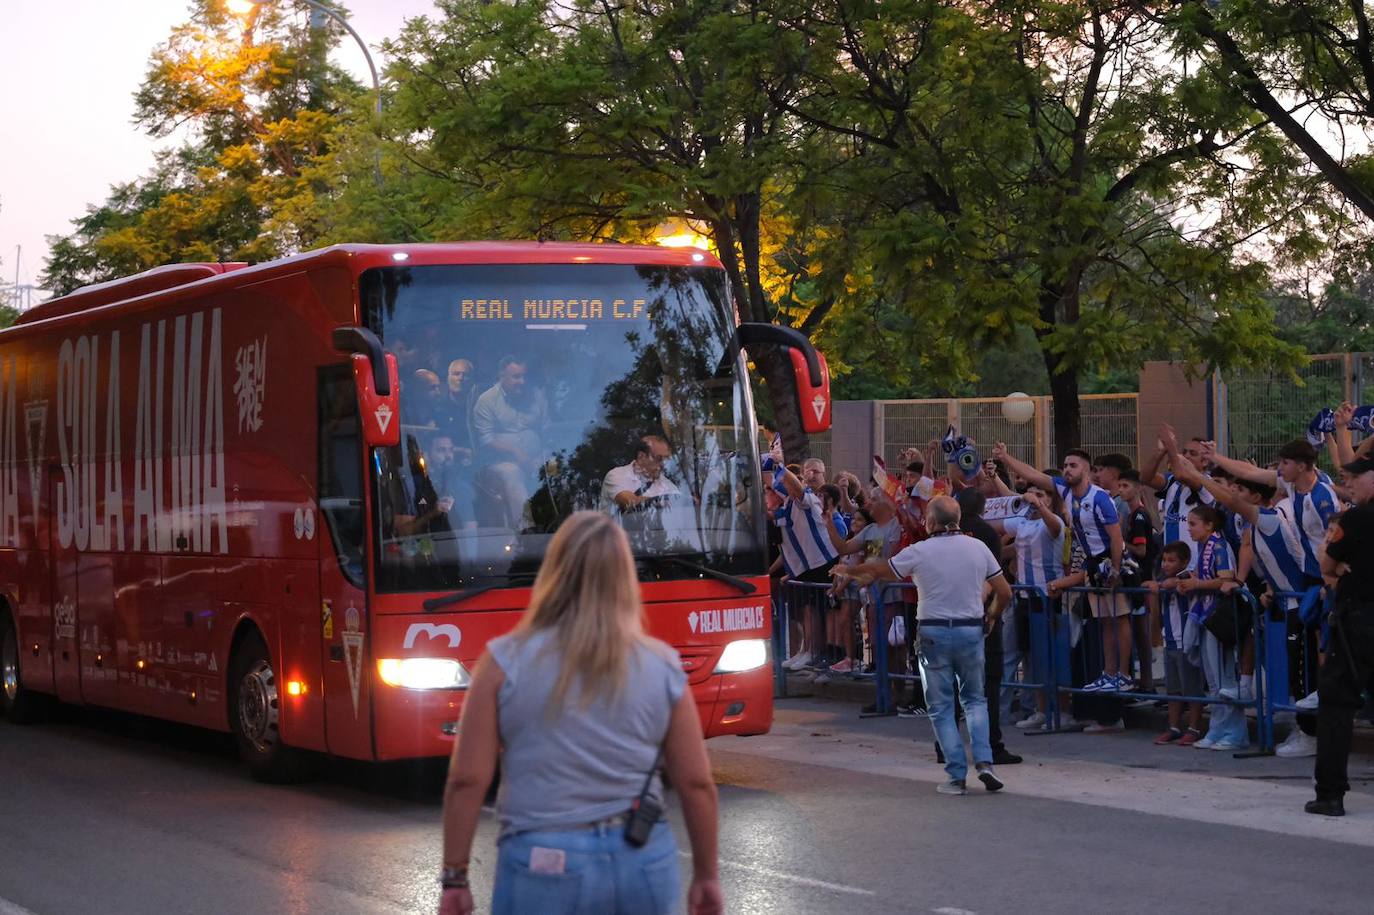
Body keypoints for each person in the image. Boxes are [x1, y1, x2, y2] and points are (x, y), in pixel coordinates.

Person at [436, 512, 723, 915]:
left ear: (554, 572)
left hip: (542, 860)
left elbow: (467, 780)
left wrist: (456, 878)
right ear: (625, 578)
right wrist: (706, 876)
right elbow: (696, 783)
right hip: (640, 859)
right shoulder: (662, 666)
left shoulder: (502, 663)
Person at [835, 496, 1013, 796]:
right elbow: (1004, 592)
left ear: (930, 521)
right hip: (971, 629)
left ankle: (956, 774)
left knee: (941, 706)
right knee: (975, 700)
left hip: (933, 631)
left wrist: (849, 571)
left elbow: (878, 571)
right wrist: (992, 616)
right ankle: (985, 762)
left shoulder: (920, 550)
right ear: (957, 518)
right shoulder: (978, 548)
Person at [992, 442, 1131, 691]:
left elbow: (1116, 537)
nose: (1067, 469)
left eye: (1073, 465)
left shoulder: (1099, 497)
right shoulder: (1065, 491)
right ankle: (1110, 674)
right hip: (1093, 565)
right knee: (1105, 621)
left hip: (1111, 562)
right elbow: (1033, 474)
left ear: (1086, 470)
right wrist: (1005, 457)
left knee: (1119, 618)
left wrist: (1115, 569)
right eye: (1065, 465)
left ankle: (1124, 674)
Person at [1308, 454, 1374, 816]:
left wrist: (1340, 569)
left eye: (1355, 477)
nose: (1349, 483)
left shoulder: (1357, 518)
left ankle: (1330, 794)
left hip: (1360, 622)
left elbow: (1327, 563)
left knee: (1336, 705)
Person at [991, 481, 1065, 731]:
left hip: (1045, 599)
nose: (1033, 497)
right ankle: (1006, 712)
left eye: (1040, 494)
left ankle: (1041, 709)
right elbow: (993, 525)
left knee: (1041, 657)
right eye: (1031, 493)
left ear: (1051, 500)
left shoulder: (1053, 522)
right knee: (1014, 654)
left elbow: (1055, 528)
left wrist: (1040, 506)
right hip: (1021, 597)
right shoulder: (1021, 522)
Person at [956, 487, 1022, 765]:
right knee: (989, 683)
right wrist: (993, 613)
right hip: (981, 614)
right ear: (983, 509)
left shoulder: (942, 536)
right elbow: (995, 577)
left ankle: (944, 746)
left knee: (950, 684)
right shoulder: (986, 534)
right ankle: (992, 745)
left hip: (948, 615)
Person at [1179, 504, 1249, 751]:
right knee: (1213, 678)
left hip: (1217, 616)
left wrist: (1197, 584)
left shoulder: (1219, 546)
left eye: (1193, 524)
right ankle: (1218, 729)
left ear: (1209, 525)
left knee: (1222, 678)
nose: (1189, 529)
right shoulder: (1204, 546)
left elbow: (1226, 579)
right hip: (1206, 615)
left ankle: (1234, 732)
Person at [773, 461, 842, 670]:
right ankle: (807, 649)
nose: (811, 476)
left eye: (815, 472)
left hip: (823, 563)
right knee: (808, 610)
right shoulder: (790, 504)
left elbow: (796, 488)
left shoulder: (810, 500)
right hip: (806, 566)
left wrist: (779, 465)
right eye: (807, 471)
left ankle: (818, 653)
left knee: (822, 612)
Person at [473, 356, 549, 531]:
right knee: (512, 474)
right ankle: (526, 531)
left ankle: (570, 527)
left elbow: (547, 431)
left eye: (524, 376)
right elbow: (486, 440)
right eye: (516, 377)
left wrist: (543, 455)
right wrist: (515, 452)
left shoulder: (537, 396)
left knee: (558, 469)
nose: (522, 381)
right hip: (499, 463)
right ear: (502, 376)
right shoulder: (486, 400)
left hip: (538, 457)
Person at [1146, 541, 1206, 745]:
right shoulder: (1164, 579)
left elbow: (1175, 583)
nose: (1166, 564)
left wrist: (1160, 584)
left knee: (1191, 686)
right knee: (1173, 688)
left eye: (1171, 560)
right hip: (1169, 639)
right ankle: (1173, 726)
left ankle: (1194, 727)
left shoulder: (1187, 578)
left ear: (1185, 561)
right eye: (1164, 560)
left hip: (1185, 641)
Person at [1140, 430, 1216, 569]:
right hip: (1170, 565)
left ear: (1205, 461)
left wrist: (1170, 447)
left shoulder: (1207, 483)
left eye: (1192, 453)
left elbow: (1182, 474)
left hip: (1195, 567)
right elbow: (1145, 478)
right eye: (1184, 452)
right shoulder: (1173, 482)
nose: (1186, 456)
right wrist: (1160, 452)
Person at [602, 435, 681, 514]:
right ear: (641, 456)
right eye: (659, 458)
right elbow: (630, 502)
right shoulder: (617, 475)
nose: (663, 464)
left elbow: (678, 506)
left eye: (666, 459)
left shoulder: (667, 485)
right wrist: (662, 501)